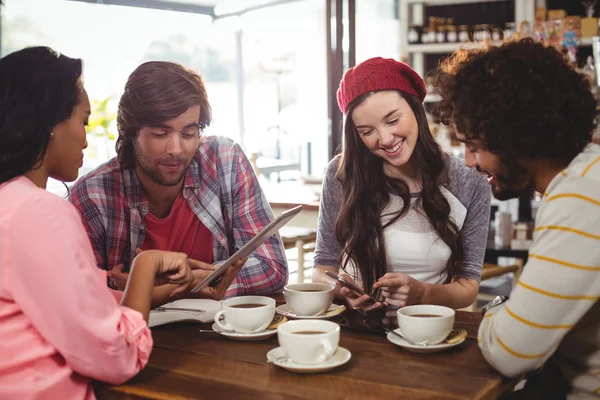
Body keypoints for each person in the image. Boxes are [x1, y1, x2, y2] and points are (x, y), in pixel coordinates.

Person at [0, 46, 236, 399]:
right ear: (50, 125)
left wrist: (174, 287)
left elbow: (83, 304)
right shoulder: (41, 213)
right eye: (82, 121)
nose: (85, 137)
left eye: (188, 132)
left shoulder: (10, 203)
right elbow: (117, 355)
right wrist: (146, 263)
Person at [433, 38, 600, 399]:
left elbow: (508, 351)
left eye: (475, 146)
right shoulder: (588, 172)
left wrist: (496, 312)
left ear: (516, 138)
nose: (469, 162)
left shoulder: (581, 198)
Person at [70, 61, 287, 301]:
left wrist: (175, 284)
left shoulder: (224, 161)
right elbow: (82, 299)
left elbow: (272, 267)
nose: (176, 149)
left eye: (188, 134)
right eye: (160, 134)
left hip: (219, 333)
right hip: (138, 334)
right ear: (131, 133)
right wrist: (208, 280)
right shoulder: (93, 196)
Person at [312, 57, 491, 312]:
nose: (384, 139)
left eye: (393, 121)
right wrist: (342, 291)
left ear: (416, 110)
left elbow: (468, 287)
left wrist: (423, 293)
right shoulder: (341, 175)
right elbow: (322, 269)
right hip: (357, 331)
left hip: (425, 331)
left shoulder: (469, 181)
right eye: (366, 131)